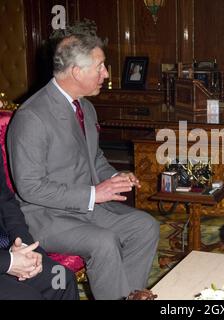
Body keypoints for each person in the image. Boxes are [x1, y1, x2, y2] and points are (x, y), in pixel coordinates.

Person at [7, 34, 160, 300]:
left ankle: (127, 296)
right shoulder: (32, 117)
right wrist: (93, 195)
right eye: (100, 66)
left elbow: (95, 157)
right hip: (45, 215)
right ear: (76, 72)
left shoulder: (85, 108)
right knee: (103, 242)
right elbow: (30, 187)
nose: (106, 73)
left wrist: (115, 175)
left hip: (84, 208)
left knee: (145, 226)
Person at [0, 150, 79, 300]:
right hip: (4, 261)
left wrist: (22, 245)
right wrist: (9, 262)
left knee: (62, 279)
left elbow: (5, 201)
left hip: (7, 250)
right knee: (27, 296)